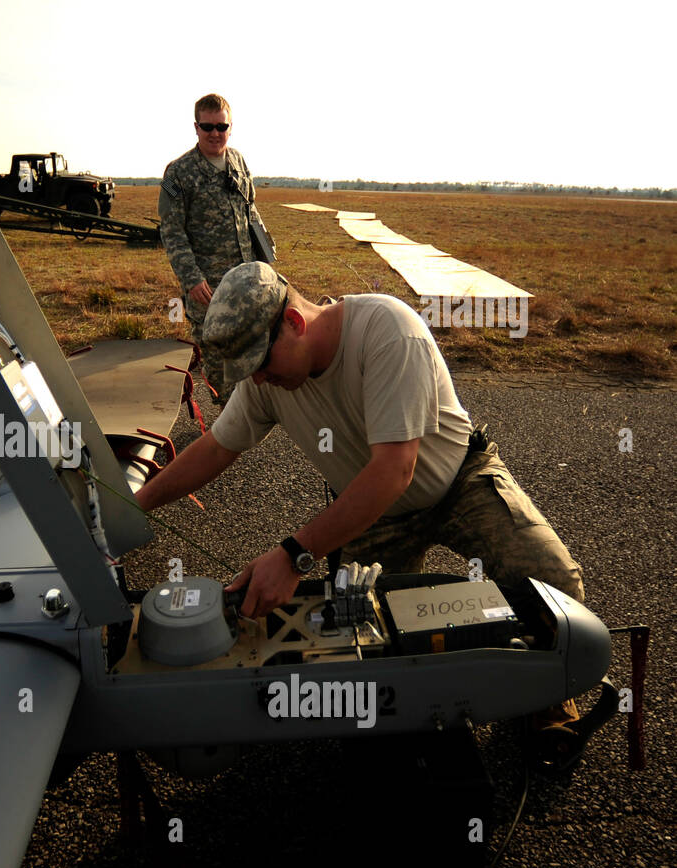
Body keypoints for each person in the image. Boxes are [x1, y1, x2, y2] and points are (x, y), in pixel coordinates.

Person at [133, 262, 585, 636]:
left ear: (293, 323)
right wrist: (136, 506)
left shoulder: (387, 329)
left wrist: (293, 557)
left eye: (261, 363)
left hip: (457, 484)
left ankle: (544, 700)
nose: (258, 380)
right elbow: (215, 448)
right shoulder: (267, 382)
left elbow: (394, 471)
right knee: (361, 634)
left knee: (556, 591)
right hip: (373, 516)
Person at [159, 94, 264, 404]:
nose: (215, 133)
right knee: (217, 358)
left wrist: (264, 262)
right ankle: (226, 431)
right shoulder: (176, 173)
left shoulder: (239, 161)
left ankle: (249, 414)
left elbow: (251, 212)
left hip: (246, 279)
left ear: (230, 127)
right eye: (208, 127)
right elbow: (171, 230)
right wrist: (191, 278)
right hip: (208, 286)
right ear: (196, 127)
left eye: (222, 126)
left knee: (251, 349)